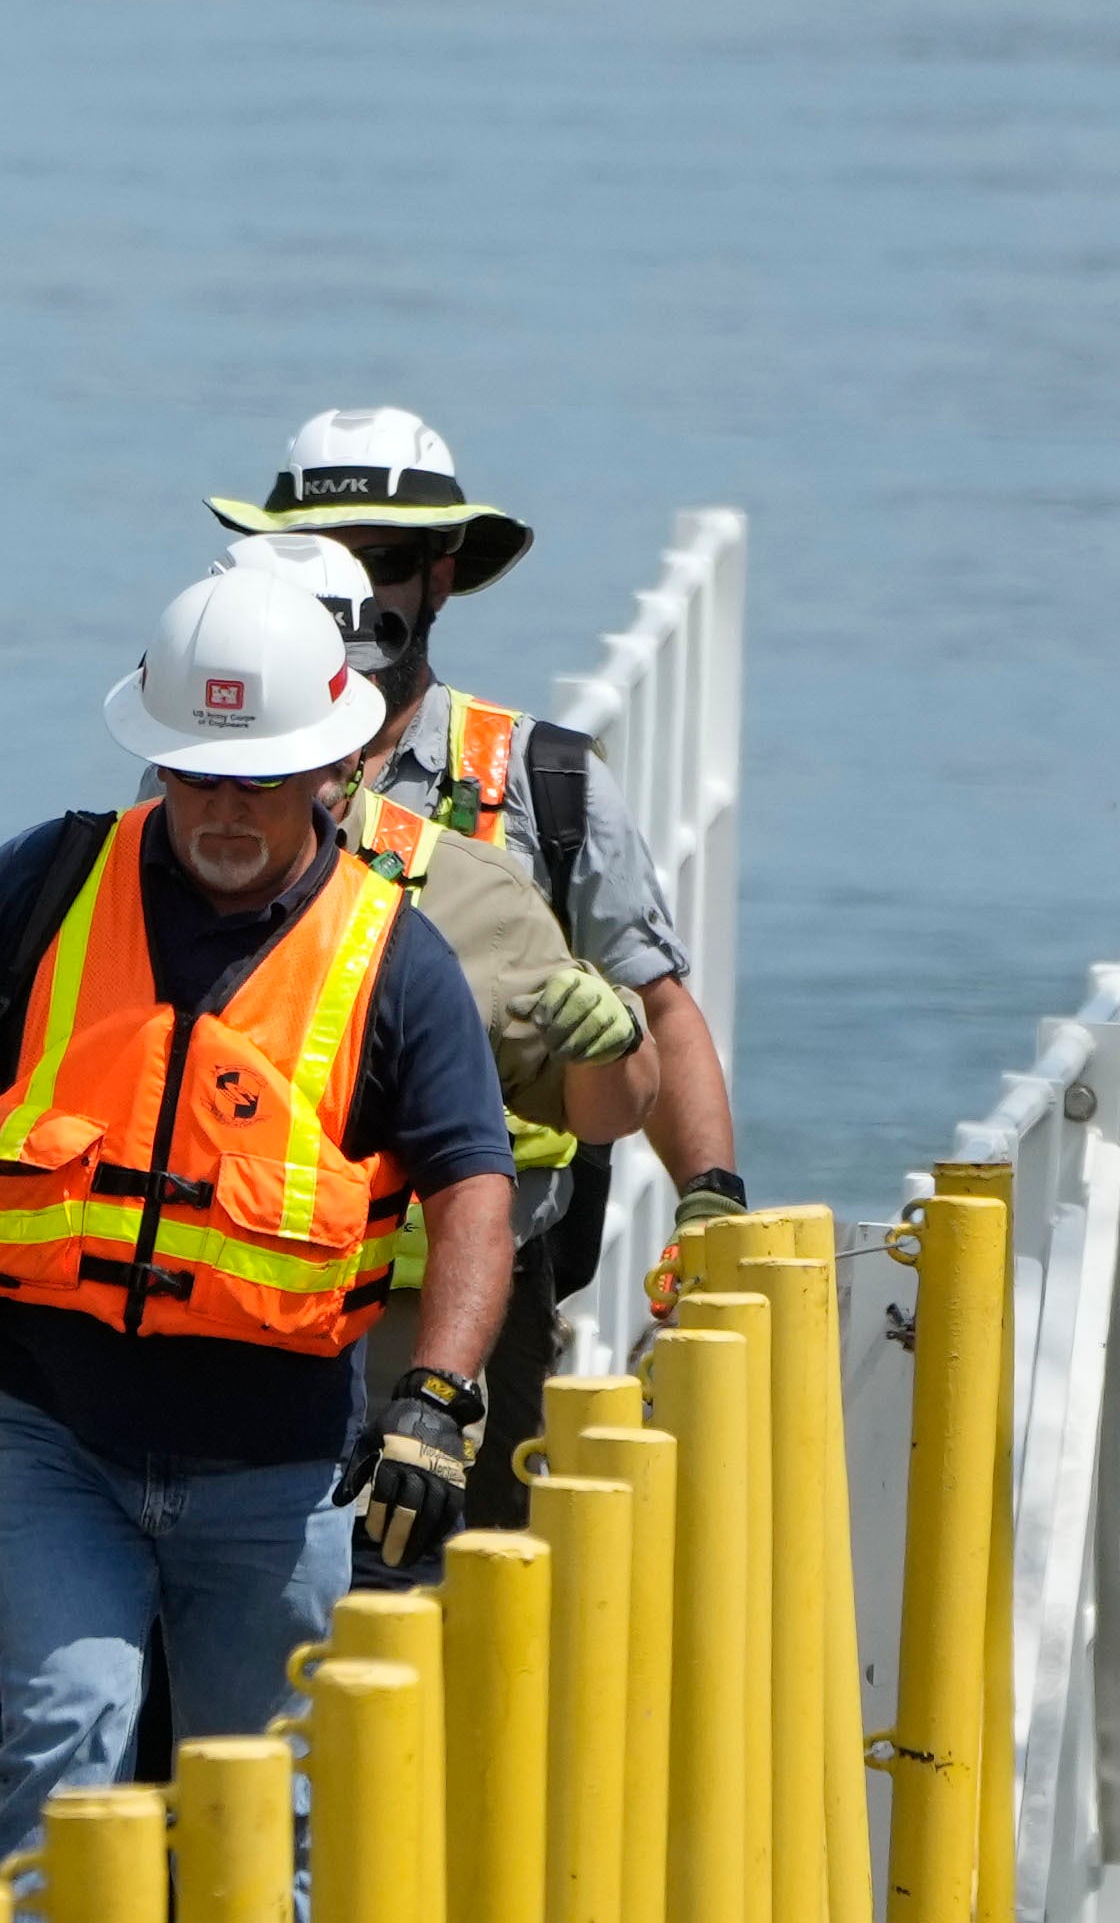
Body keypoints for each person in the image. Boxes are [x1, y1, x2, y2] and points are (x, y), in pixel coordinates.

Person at [0, 553, 523, 1813]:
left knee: (264, 1798)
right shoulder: (49, 883)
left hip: (279, 1467)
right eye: (196, 775)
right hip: (57, 1433)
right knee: (66, 1744)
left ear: (330, 771)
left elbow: (473, 1185)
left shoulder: (390, 960)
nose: (225, 812)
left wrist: (441, 1398)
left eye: (259, 781)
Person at [206, 406, 739, 1471]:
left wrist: (712, 1209)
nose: (351, 591)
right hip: (253, 1270)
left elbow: (659, 1003)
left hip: (484, 1279)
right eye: (317, 561)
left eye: (384, 560)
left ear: (440, 574)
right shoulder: (208, 778)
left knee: (469, 1603)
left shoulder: (547, 783)